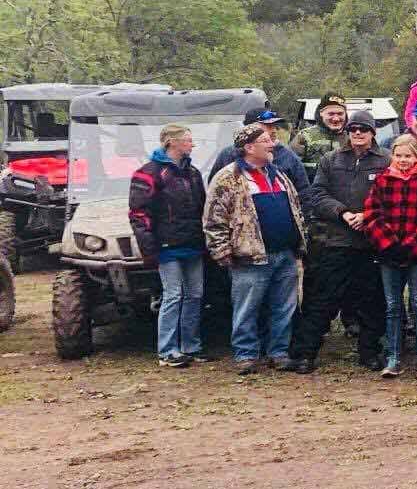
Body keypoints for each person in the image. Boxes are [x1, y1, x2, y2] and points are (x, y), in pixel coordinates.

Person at [289, 110, 390, 374]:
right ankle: (305, 353)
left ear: (373, 133)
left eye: (364, 129)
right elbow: (317, 193)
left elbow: (394, 197)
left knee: (370, 302)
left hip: (370, 242)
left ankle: (369, 352)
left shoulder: (386, 160)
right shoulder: (330, 160)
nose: (358, 133)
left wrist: (368, 216)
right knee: (321, 299)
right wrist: (343, 212)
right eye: (353, 128)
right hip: (335, 240)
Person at [205, 122, 307, 374]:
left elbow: (296, 208)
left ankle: (279, 352)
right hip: (249, 256)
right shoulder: (228, 177)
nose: (272, 143)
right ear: (249, 147)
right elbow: (214, 219)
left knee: (284, 306)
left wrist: (301, 241)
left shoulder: (278, 174)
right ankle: (245, 354)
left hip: (285, 253)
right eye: (265, 140)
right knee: (247, 307)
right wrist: (221, 252)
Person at [129, 123, 207, 368]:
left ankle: (190, 346)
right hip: (166, 245)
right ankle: (167, 350)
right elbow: (138, 213)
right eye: (187, 139)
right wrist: (149, 248)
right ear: (171, 142)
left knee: (195, 295)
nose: (192, 144)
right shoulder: (148, 173)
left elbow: (202, 207)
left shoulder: (192, 173)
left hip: (193, 243)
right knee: (173, 295)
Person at [365, 134, 417, 378]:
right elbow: (372, 213)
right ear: (392, 156)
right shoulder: (383, 180)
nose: (403, 160)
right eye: (398, 155)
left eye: (408, 156)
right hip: (389, 253)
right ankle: (393, 356)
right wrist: (389, 243)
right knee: (392, 305)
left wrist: (411, 244)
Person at [208, 107, 311, 195]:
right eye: (268, 126)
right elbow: (214, 192)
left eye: (275, 126)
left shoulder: (289, 157)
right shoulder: (229, 155)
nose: (274, 130)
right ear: (250, 128)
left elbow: (304, 194)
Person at [291, 94, 350, 168]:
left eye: (340, 114)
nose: (336, 119)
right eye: (331, 114)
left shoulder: (352, 137)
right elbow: (291, 167)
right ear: (321, 113)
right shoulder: (305, 136)